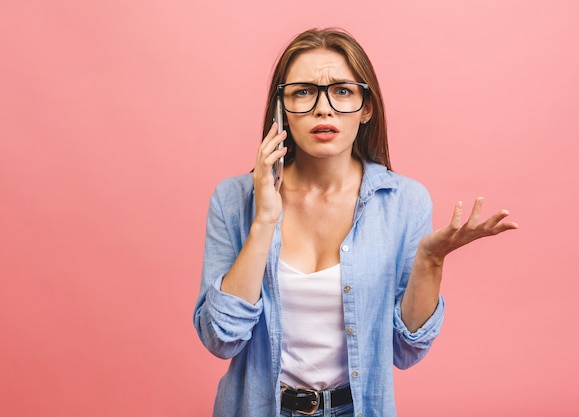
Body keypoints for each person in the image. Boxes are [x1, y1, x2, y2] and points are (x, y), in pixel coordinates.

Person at [193, 27, 518, 417]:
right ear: (280, 109)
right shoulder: (233, 200)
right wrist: (264, 219)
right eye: (303, 91)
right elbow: (220, 339)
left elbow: (406, 349)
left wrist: (430, 261)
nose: (323, 108)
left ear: (367, 108)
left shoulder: (404, 202)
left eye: (343, 91)